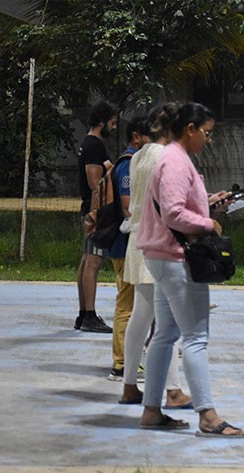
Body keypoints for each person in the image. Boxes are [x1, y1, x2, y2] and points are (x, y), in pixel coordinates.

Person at [136, 102, 244, 437]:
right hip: (175, 257)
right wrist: (207, 222)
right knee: (196, 338)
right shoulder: (173, 161)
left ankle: (152, 410)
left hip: (164, 255)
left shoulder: (174, 159)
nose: (208, 140)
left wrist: (209, 204)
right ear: (190, 129)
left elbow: (177, 206)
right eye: (207, 133)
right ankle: (208, 416)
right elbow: (172, 212)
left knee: (166, 335)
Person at [118, 104, 191, 409]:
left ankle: (129, 385)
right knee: (166, 321)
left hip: (137, 239)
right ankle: (172, 390)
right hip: (157, 241)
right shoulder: (166, 158)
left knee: (142, 316)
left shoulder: (138, 157)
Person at [106, 115, 151, 382]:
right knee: (126, 306)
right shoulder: (129, 164)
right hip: (125, 245)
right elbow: (128, 209)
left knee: (132, 305)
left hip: (129, 245)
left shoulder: (136, 162)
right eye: (150, 137)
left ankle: (127, 360)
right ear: (136, 137)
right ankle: (121, 364)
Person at [74, 100, 118, 333]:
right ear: (101, 123)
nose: (114, 127)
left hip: (91, 210)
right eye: (112, 123)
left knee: (87, 261)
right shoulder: (93, 146)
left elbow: (110, 168)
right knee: (93, 261)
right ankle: (89, 315)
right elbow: (95, 183)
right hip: (97, 211)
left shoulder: (94, 145)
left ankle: (84, 314)